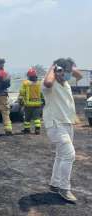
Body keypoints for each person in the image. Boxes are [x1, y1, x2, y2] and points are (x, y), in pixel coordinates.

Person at [42, 58, 82, 202]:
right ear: (57, 71)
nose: (69, 75)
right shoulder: (49, 85)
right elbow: (47, 82)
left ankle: (55, 183)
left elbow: (79, 76)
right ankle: (64, 188)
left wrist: (69, 65)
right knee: (69, 155)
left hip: (67, 123)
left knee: (60, 155)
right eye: (66, 72)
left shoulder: (65, 83)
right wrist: (53, 67)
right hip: (56, 124)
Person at [19, 68, 44, 135]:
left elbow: (22, 92)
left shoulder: (25, 83)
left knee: (27, 118)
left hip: (28, 104)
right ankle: (37, 130)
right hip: (37, 104)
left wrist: (20, 101)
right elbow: (42, 93)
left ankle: (27, 129)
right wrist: (43, 101)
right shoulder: (39, 83)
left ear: (28, 76)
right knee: (37, 118)